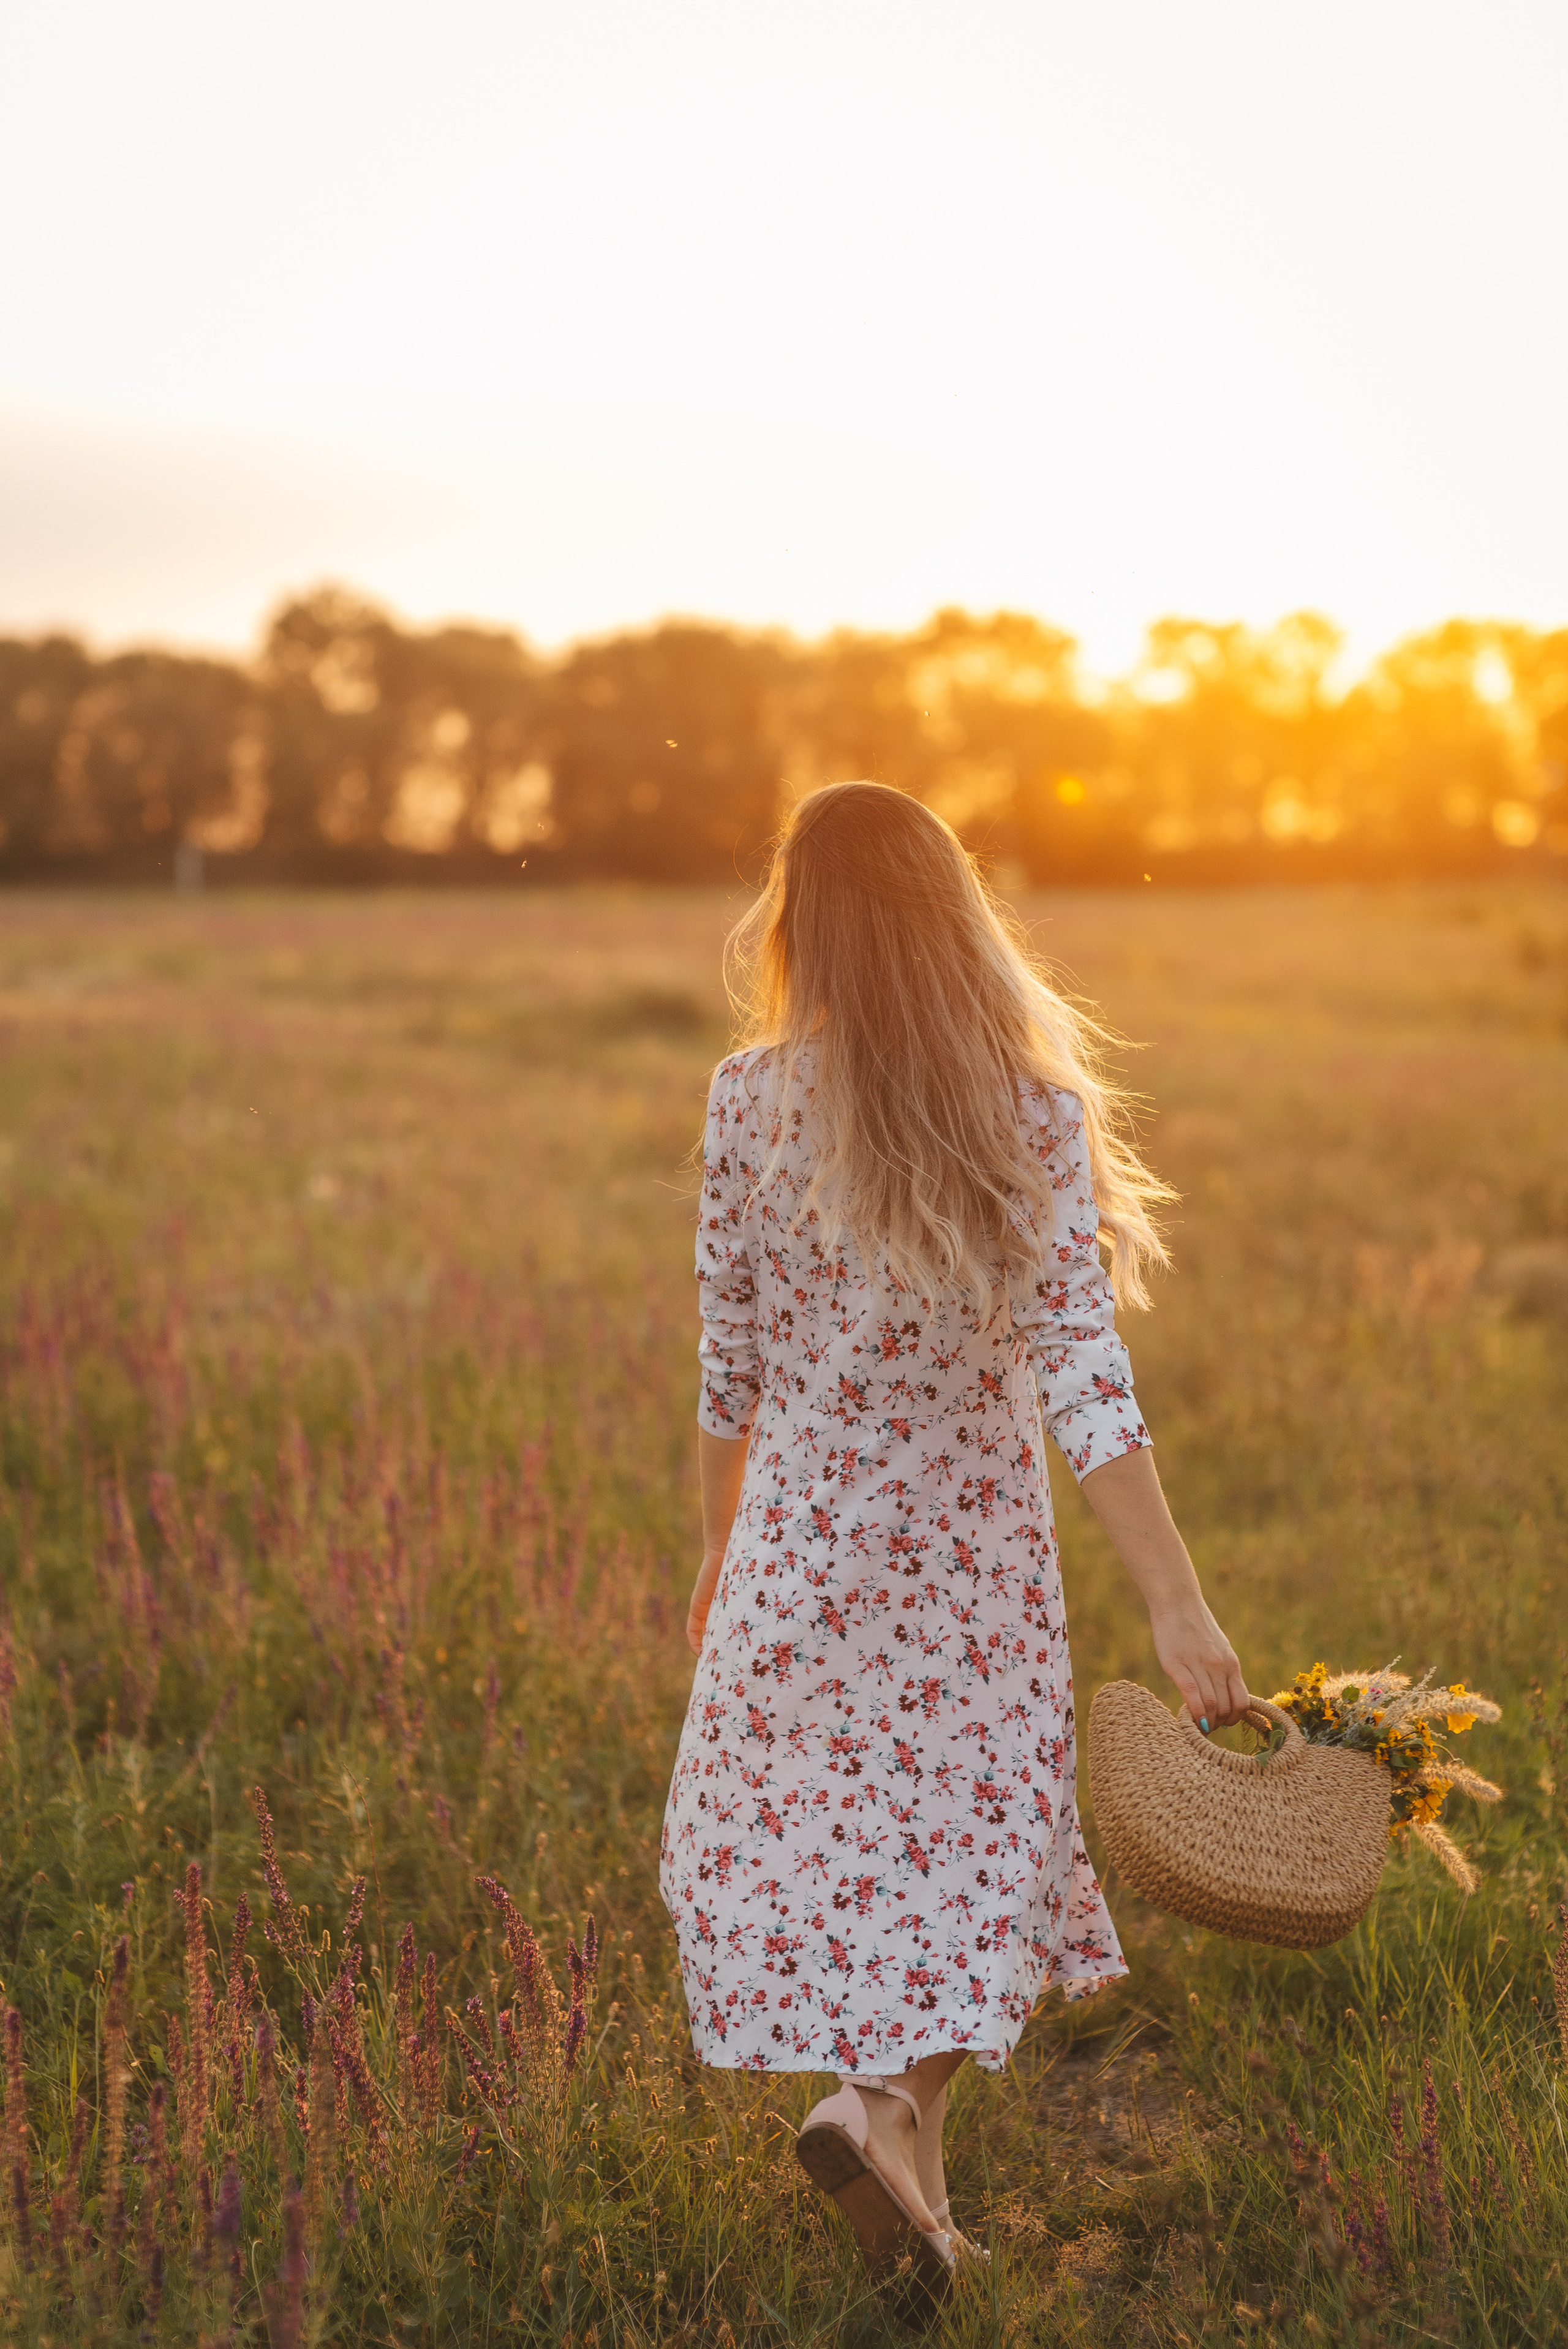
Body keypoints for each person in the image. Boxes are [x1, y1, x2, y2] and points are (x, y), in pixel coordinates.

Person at [659, 782, 1249, 2295]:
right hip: (965, 1576)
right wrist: (1176, 1608)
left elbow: (728, 1360)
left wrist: (716, 1557)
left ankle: (890, 2152)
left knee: (840, 1856)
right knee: (962, 1863)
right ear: (951, 914)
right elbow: (1084, 1381)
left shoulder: (744, 1095)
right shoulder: (1027, 1109)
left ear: (798, 921)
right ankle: (880, 2121)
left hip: (794, 1553)